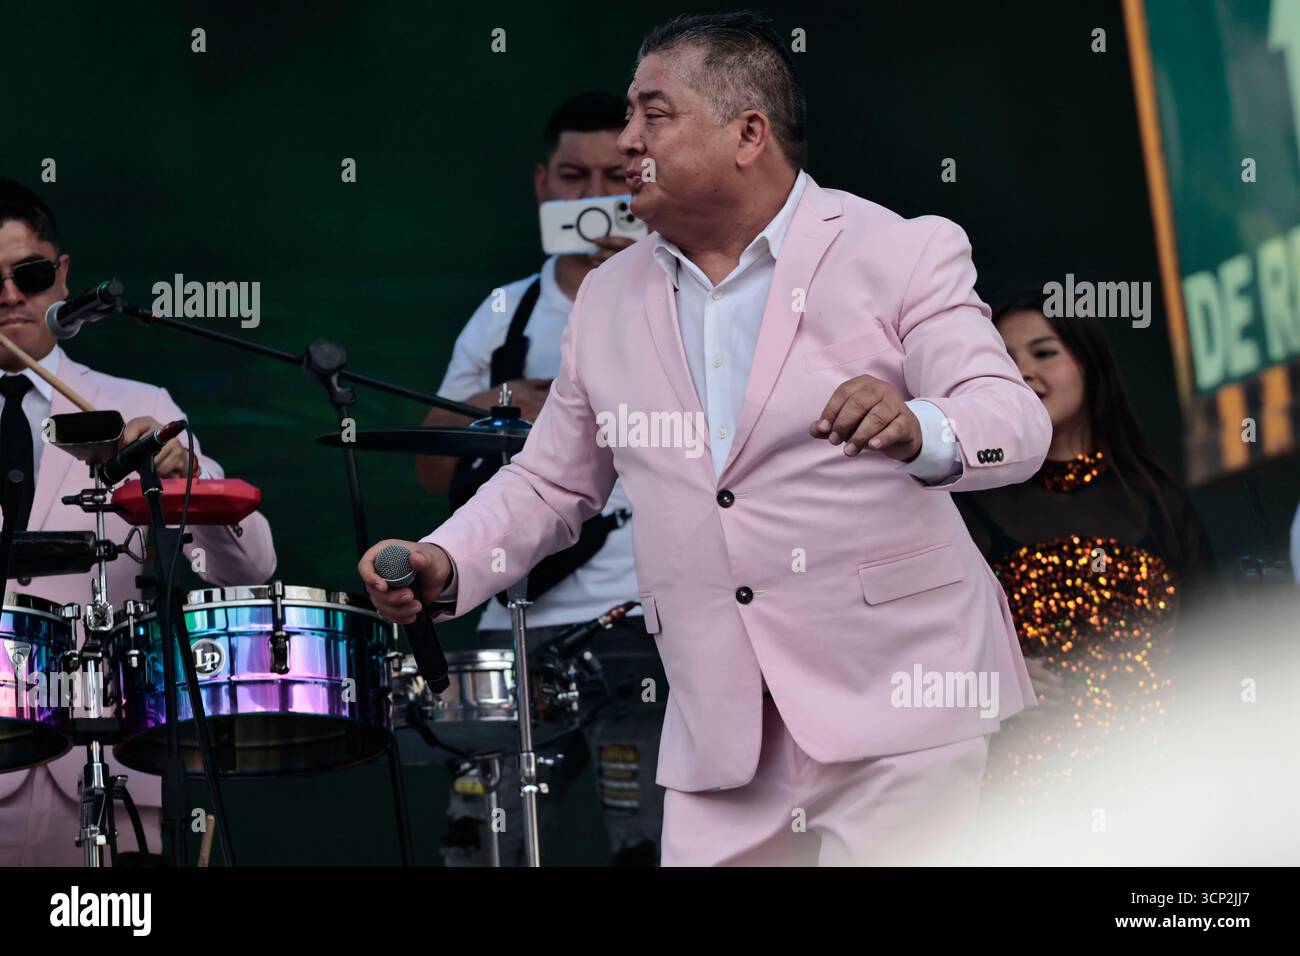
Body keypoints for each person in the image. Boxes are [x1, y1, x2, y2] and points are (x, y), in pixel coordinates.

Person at [361, 11, 1051, 866]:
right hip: (721, 730)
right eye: (628, 114)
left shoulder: (900, 250)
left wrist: (923, 427)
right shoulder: (608, 297)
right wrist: (448, 560)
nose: (626, 141)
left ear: (747, 134)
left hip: (901, 700)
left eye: (653, 114)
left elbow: (1013, 420)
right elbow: (550, 484)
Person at [414, 92, 667, 866]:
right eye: (572, 176)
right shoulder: (505, 313)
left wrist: (634, 277)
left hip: (643, 619)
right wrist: (498, 401)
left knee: (648, 839)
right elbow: (430, 471)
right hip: (515, 614)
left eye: (612, 177)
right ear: (541, 185)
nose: (593, 197)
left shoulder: (681, 287)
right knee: (486, 841)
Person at [0, 178, 277, 865]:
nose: (7, 296)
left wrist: (187, 479)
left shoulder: (138, 405)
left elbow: (251, 568)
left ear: (62, 277)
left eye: (27, 275)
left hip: (107, 772)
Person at [955, 287, 1218, 805]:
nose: (1024, 371)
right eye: (1005, 360)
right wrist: (995, 683)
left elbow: (1216, 643)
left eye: (1044, 352)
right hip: (1026, 799)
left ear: (1091, 364)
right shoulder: (969, 506)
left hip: (1156, 786)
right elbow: (921, 654)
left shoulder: (1158, 501)